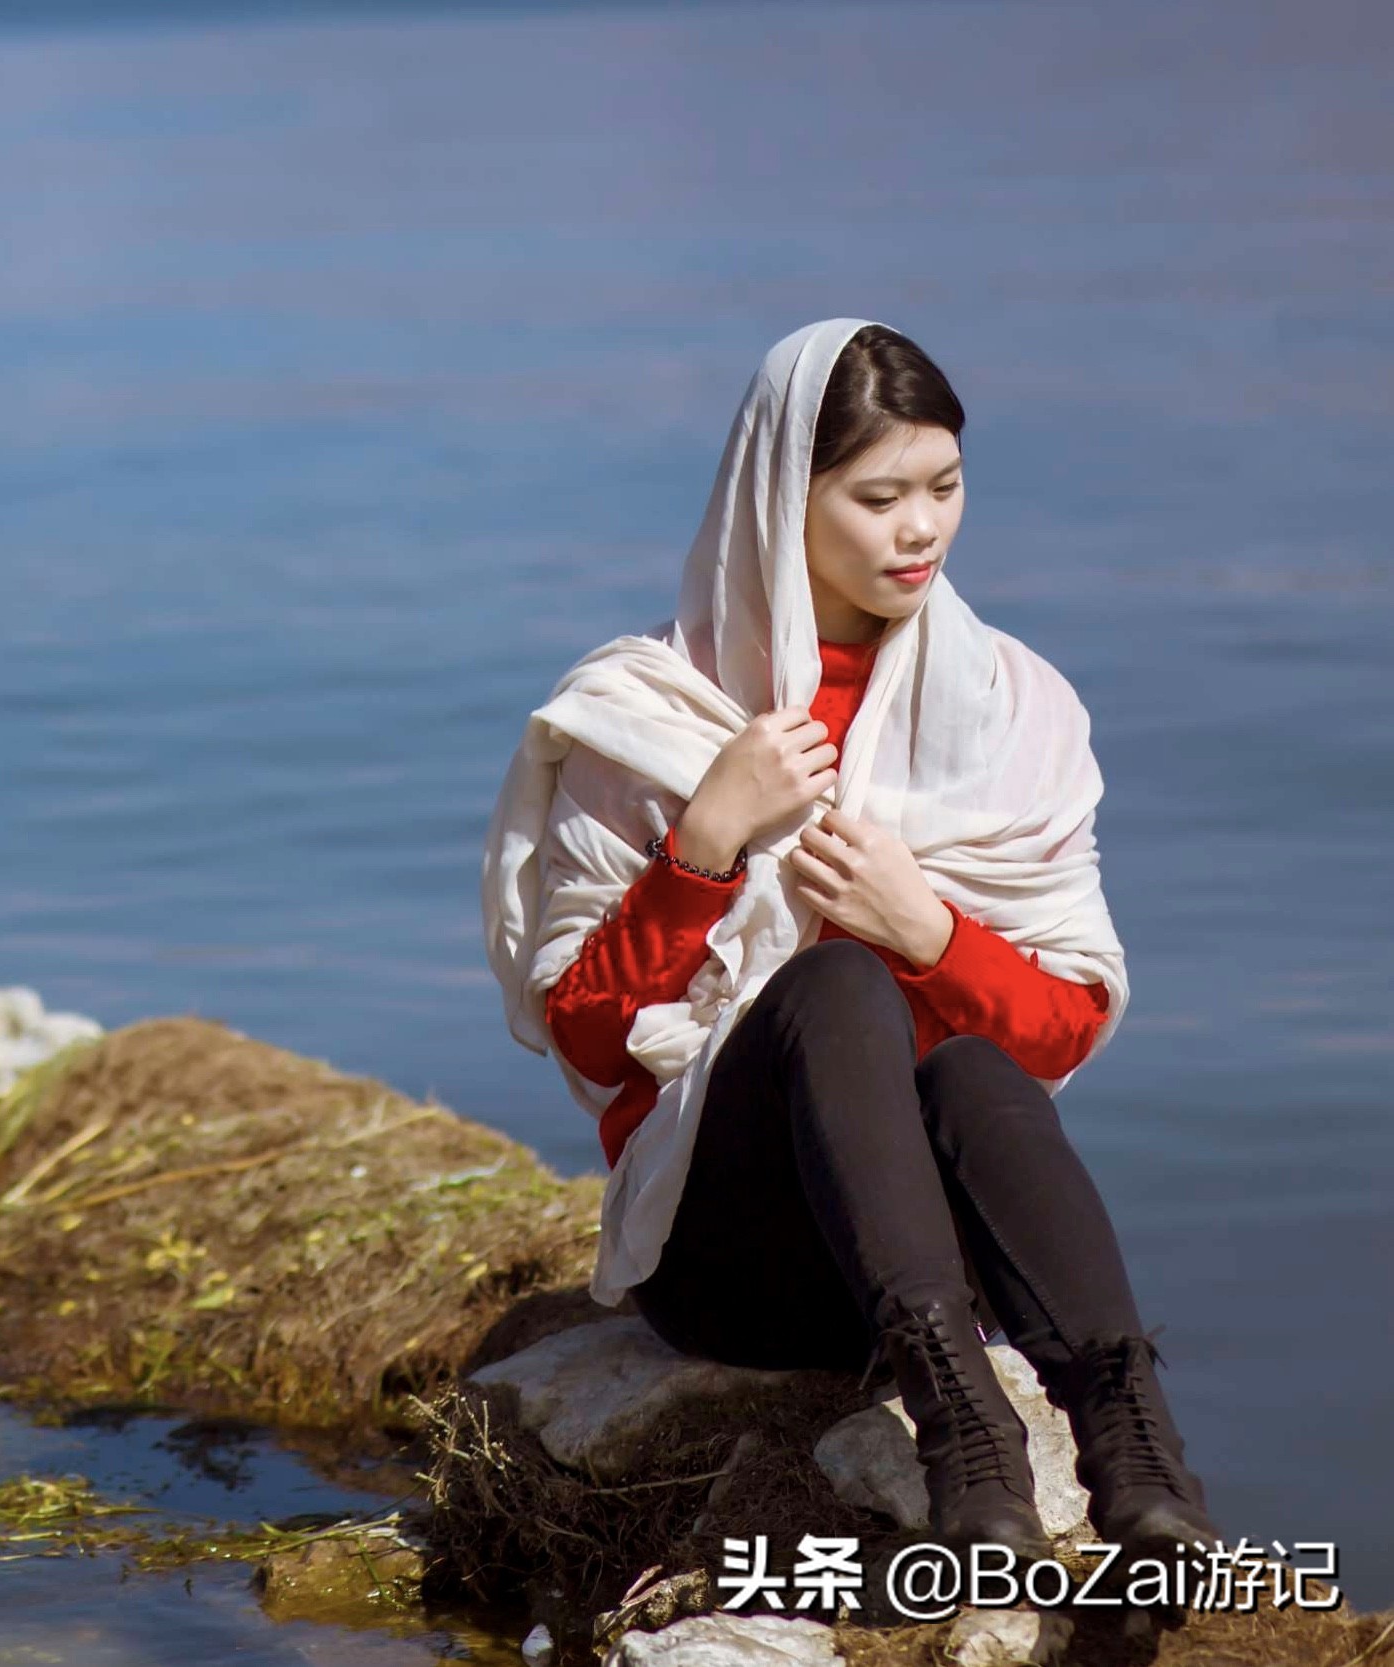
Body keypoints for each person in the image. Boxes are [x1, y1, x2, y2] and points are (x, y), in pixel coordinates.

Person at [478, 319, 1220, 1561]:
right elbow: (589, 1037)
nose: (919, 528)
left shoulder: (1009, 704)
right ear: (781, 497)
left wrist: (925, 929)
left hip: (936, 1246)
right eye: (877, 497)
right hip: (730, 1255)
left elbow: (1064, 1021)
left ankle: (1133, 1446)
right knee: (829, 982)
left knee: (975, 1068)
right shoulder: (650, 711)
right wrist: (702, 842)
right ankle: (963, 1431)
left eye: (944, 486)